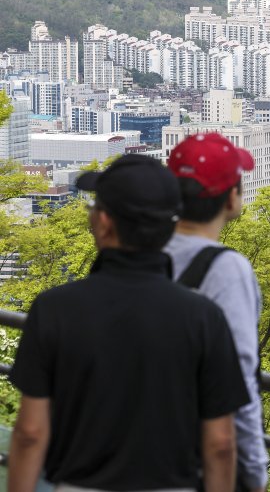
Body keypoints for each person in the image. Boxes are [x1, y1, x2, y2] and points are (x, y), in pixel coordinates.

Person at [8, 154, 250, 492]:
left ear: (105, 222)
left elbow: (31, 433)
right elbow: (221, 443)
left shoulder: (54, 309)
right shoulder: (203, 316)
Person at [164, 132, 268, 492]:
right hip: (197, 460)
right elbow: (238, 382)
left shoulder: (143, 251)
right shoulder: (227, 271)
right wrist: (255, 472)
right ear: (231, 196)